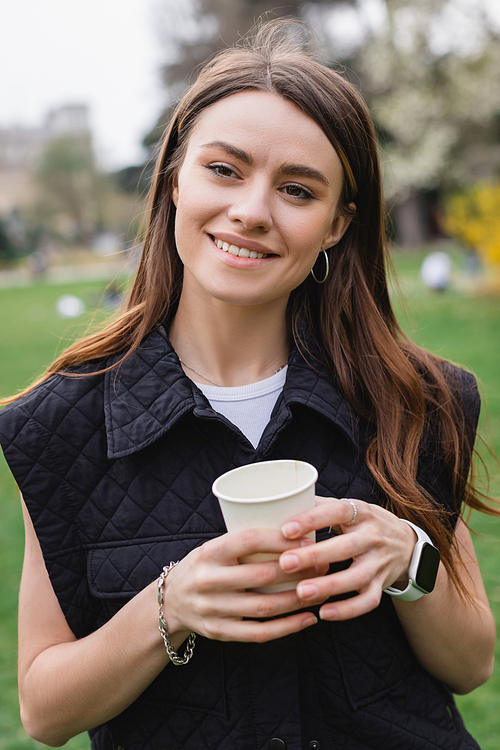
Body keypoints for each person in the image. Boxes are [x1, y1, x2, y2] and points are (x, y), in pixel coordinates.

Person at [0, 19, 496, 750]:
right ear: (175, 178)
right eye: (225, 170)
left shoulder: (416, 398)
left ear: (336, 224)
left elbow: (471, 663)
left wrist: (406, 558)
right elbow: (43, 710)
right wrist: (170, 605)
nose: (252, 210)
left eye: (297, 189)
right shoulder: (61, 421)